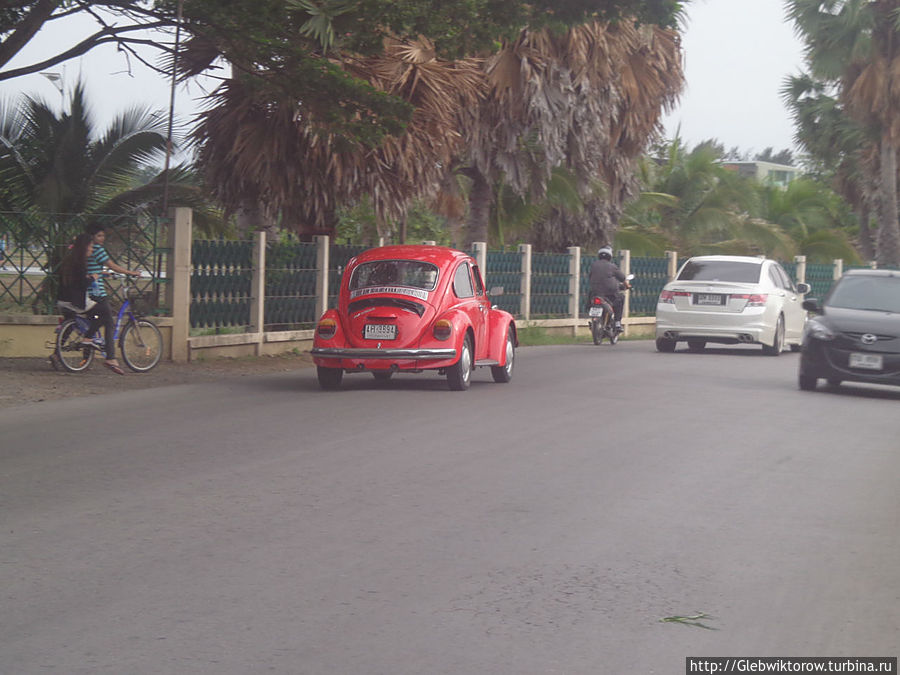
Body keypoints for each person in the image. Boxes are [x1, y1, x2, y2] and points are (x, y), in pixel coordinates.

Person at [85, 223, 141, 375]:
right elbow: (112, 265)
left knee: (94, 321)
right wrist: (132, 273)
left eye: (103, 235)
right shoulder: (97, 249)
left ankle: (85, 360)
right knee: (109, 321)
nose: (102, 238)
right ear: (92, 237)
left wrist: (104, 274)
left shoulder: (86, 249)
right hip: (96, 292)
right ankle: (110, 357)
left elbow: (93, 268)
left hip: (86, 291)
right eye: (99, 236)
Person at [588, 245, 630, 332]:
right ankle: (618, 322)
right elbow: (622, 277)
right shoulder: (612, 266)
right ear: (610, 256)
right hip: (609, 294)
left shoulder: (593, 265)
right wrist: (627, 285)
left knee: (590, 300)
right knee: (621, 298)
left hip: (595, 293)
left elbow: (590, 277)